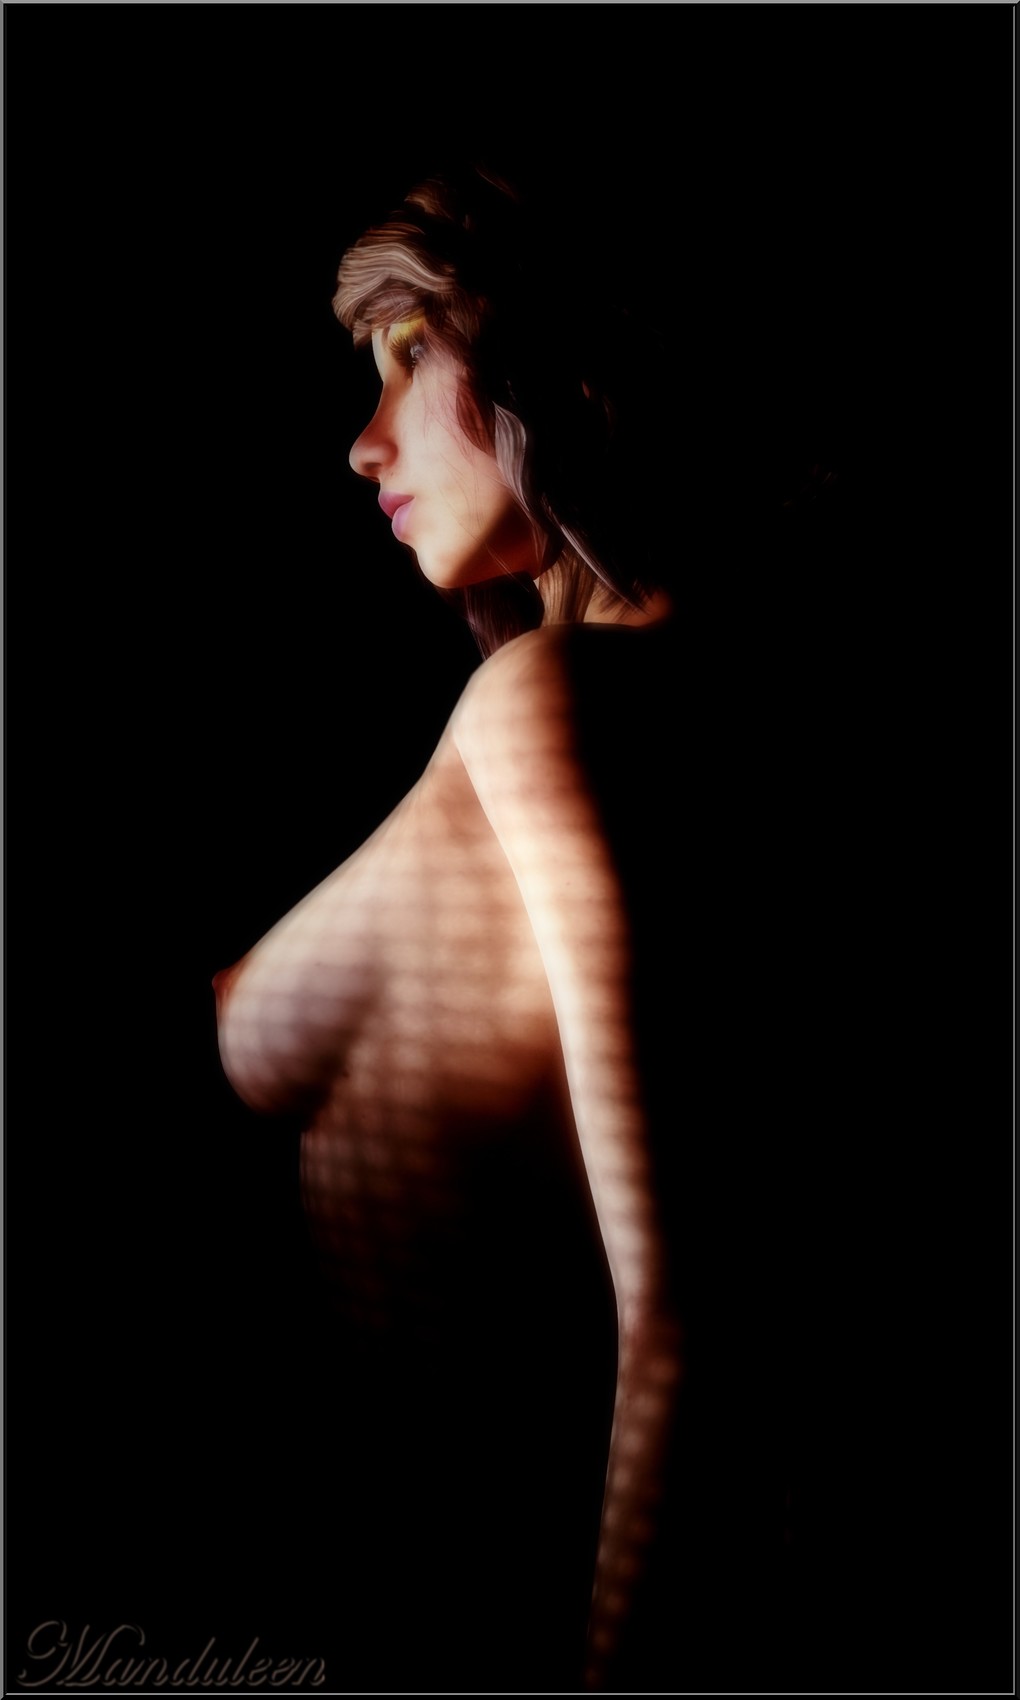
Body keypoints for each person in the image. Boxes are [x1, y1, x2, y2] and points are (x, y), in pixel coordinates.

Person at [214, 165, 801, 1691]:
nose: (364, 442)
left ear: (557, 362)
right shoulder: (580, 713)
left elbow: (689, 1310)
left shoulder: (559, 707)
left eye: (412, 356)